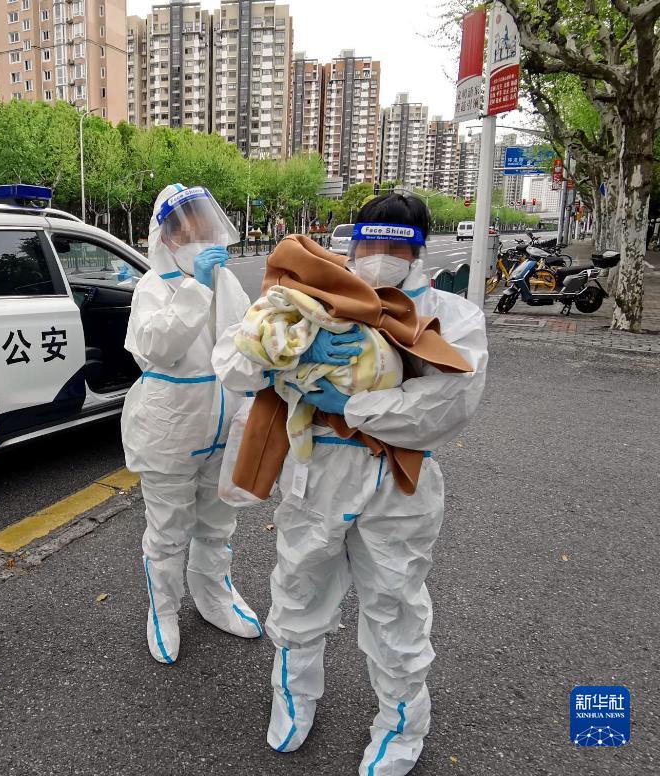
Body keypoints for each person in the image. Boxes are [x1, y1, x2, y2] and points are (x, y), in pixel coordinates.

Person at [214, 193, 488, 774]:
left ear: (418, 251)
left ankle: (402, 726)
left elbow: (450, 402)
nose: (379, 255)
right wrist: (290, 349)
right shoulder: (316, 296)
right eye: (369, 242)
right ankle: (293, 699)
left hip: (398, 482)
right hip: (316, 473)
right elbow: (232, 360)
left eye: (396, 245)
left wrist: (355, 406)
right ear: (352, 244)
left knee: (395, 604)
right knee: (298, 590)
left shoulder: (451, 315)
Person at [122, 184, 263, 664]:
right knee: (167, 531)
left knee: (217, 525)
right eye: (186, 230)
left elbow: (246, 342)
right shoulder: (152, 287)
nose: (198, 237)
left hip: (223, 429)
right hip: (170, 433)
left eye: (204, 227)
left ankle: (214, 597)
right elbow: (156, 347)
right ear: (165, 237)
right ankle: (163, 611)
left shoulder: (228, 282)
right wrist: (195, 290)